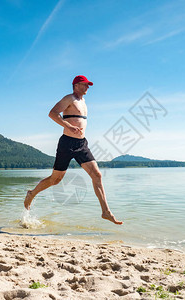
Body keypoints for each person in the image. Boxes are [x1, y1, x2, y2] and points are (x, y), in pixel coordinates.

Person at [24, 75, 123, 225]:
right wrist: (68, 126)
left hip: (81, 144)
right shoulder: (69, 98)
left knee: (97, 174)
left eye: (88, 85)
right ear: (76, 85)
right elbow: (52, 113)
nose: (88, 87)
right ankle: (32, 194)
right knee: (55, 180)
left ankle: (105, 211)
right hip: (67, 144)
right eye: (85, 84)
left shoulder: (83, 102)